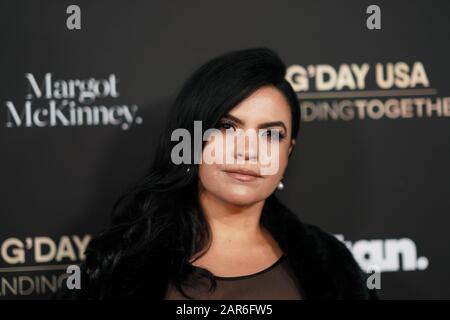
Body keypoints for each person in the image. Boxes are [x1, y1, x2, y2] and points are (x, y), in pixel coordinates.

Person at [63, 47, 378, 300]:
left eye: (270, 135)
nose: (247, 150)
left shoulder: (330, 266)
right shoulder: (120, 264)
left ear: (288, 152)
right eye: (227, 127)